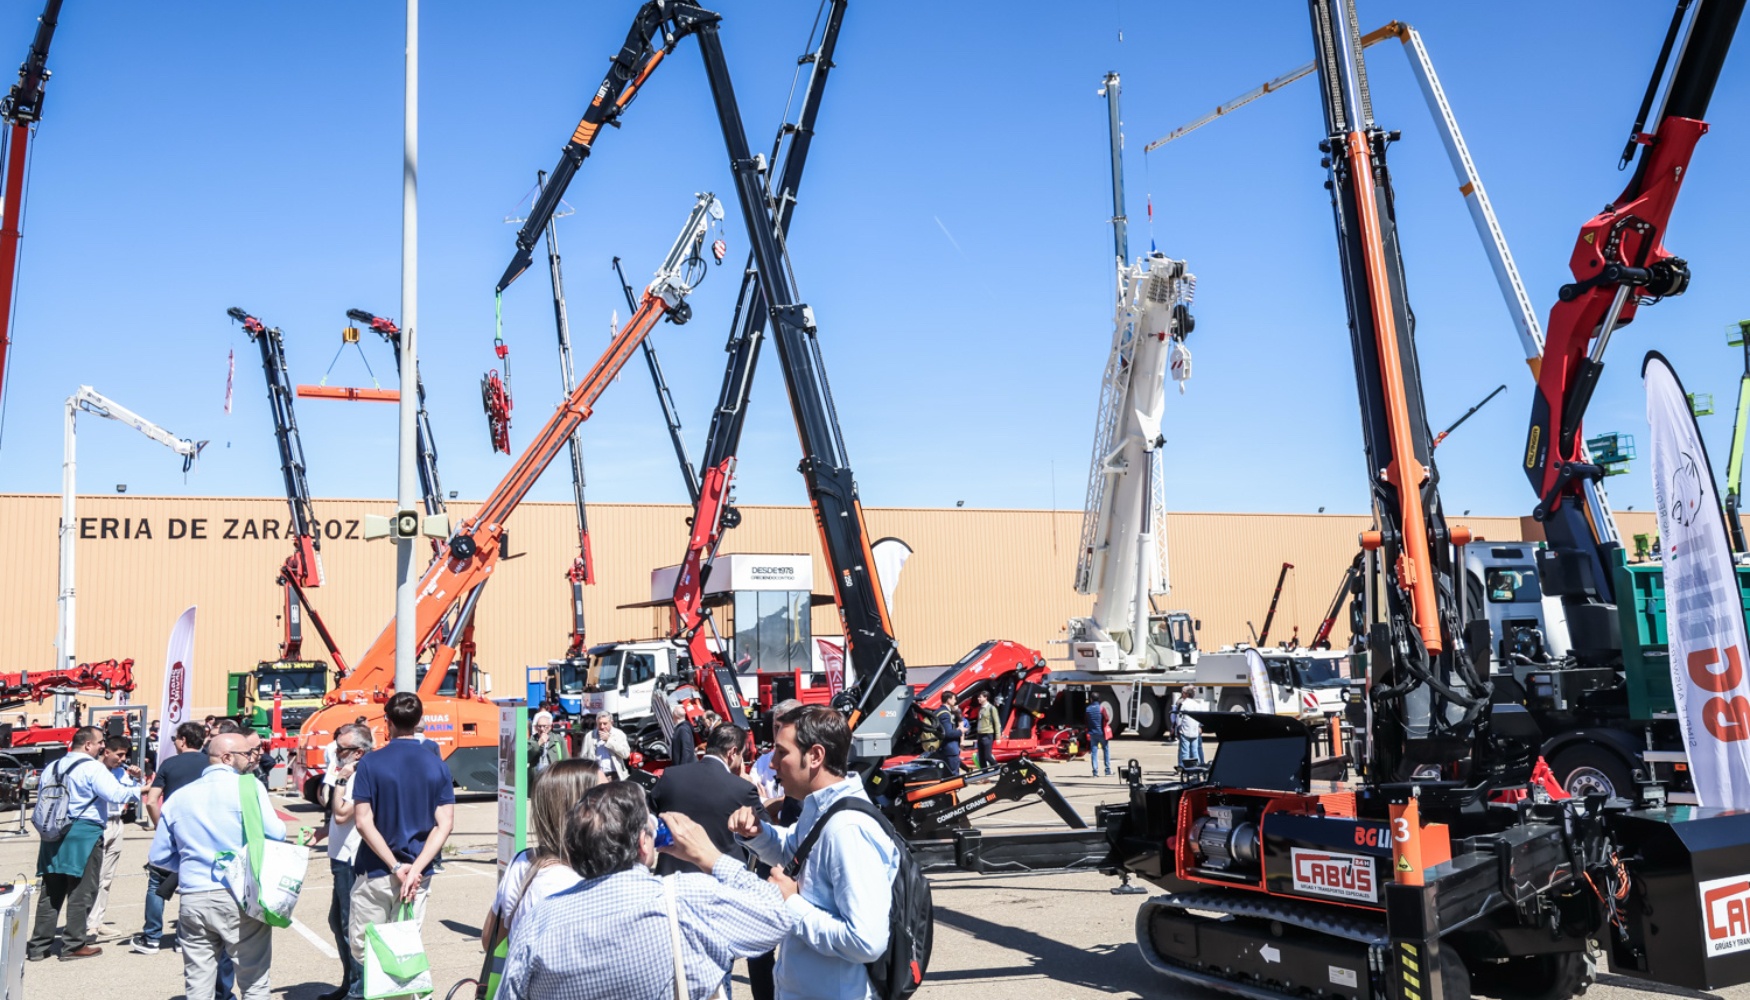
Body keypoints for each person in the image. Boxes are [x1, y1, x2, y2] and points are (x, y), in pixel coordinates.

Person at [496, 782, 790, 1000]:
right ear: (643, 843)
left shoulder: (539, 919)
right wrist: (709, 857)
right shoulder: (685, 898)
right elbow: (776, 913)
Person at [731, 705, 899, 1000]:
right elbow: (795, 854)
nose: (772, 764)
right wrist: (758, 833)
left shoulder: (848, 830)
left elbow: (866, 940)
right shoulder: (822, 808)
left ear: (815, 756)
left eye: (782, 753)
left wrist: (791, 903)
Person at [147, 732, 286, 1000]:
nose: (251, 759)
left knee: (198, 981)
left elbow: (159, 856)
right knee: (254, 979)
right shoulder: (249, 787)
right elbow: (276, 833)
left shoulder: (179, 797)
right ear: (227, 757)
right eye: (247, 754)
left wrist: (189, 862)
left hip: (193, 895)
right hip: (240, 892)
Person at [349, 692, 455, 998]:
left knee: (366, 947)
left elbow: (363, 821)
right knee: (407, 945)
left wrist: (396, 866)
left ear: (387, 722)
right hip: (417, 877)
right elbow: (444, 823)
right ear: (420, 721)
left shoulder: (370, 763)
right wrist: (415, 869)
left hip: (376, 871)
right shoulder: (437, 765)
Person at [28, 726, 141, 962]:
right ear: (88, 744)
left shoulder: (53, 766)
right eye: (100, 742)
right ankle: (73, 944)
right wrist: (138, 788)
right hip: (84, 831)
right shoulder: (93, 768)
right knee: (82, 889)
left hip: (53, 831)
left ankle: (39, 946)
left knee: (51, 889)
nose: (102, 746)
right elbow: (116, 795)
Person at [481, 759, 601, 950]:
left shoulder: (523, 861)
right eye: (606, 796)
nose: (615, 803)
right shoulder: (567, 881)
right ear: (581, 810)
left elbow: (490, 940)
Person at [132, 721, 211, 954]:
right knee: (192, 884)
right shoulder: (210, 764)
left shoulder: (169, 764)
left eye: (174, 739)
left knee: (157, 881)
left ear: (183, 740)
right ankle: (183, 939)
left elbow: (152, 800)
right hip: (202, 832)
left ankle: (152, 938)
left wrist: (160, 827)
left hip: (174, 830)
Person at [651, 724, 762, 877]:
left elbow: (648, 816)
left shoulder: (671, 776)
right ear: (733, 752)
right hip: (720, 881)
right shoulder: (742, 788)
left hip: (672, 878)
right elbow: (764, 832)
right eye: (741, 755)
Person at [318, 723, 373, 1000]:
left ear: (358, 752)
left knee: (350, 924)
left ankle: (358, 989)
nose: (336, 753)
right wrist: (323, 832)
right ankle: (349, 982)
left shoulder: (357, 775)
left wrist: (340, 777)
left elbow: (342, 814)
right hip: (340, 855)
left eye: (342, 749)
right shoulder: (352, 772)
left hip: (351, 858)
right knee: (338, 921)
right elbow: (340, 820)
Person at [85, 734, 143, 940]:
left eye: (124, 755)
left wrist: (137, 778)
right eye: (119, 755)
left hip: (117, 822)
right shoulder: (95, 770)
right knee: (93, 876)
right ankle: (86, 922)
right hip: (99, 822)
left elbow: (134, 792)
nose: (121, 759)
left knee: (107, 877)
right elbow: (118, 794)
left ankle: (96, 921)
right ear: (106, 752)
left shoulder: (121, 772)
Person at [579, 712, 630, 781]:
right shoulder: (589, 736)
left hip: (614, 776)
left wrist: (609, 741)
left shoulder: (619, 734)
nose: (602, 727)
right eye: (600, 724)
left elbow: (626, 754)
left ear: (611, 723)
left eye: (605, 724)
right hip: (596, 776)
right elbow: (583, 757)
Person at [1173, 686, 1208, 773]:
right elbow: (1200, 718)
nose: (1182, 694)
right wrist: (1199, 727)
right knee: (1195, 752)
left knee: (1185, 752)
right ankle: (1197, 771)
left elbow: (1179, 719)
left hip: (1185, 731)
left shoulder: (1184, 704)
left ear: (1187, 694)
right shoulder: (1197, 704)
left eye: (1184, 693)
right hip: (1195, 732)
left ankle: (1186, 771)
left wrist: (1178, 729)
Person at [933, 691, 967, 777]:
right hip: (949, 750)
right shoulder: (945, 714)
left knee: (944, 775)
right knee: (952, 776)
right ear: (948, 700)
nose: (955, 701)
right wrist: (961, 731)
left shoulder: (937, 711)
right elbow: (948, 733)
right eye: (954, 699)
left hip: (941, 748)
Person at [528, 711, 564, 778]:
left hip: (553, 778)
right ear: (536, 727)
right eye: (539, 726)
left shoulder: (558, 740)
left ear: (550, 727)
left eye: (544, 726)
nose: (542, 729)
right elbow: (526, 757)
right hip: (536, 778)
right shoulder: (531, 740)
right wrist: (538, 744)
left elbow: (566, 760)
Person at [1085, 697, 1112, 777]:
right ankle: (1107, 770)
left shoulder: (1088, 709)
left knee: (1094, 752)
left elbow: (1086, 720)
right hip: (1102, 733)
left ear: (1091, 699)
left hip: (1092, 733)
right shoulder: (1101, 708)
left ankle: (1095, 771)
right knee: (1106, 750)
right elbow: (1107, 718)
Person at [974, 691, 1000, 769]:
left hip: (988, 734)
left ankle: (998, 768)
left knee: (987, 756)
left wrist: (998, 737)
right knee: (981, 757)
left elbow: (997, 723)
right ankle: (984, 776)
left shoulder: (991, 708)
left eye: (980, 697)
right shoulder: (980, 709)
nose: (978, 699)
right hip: (980, 734)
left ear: (985, 698)